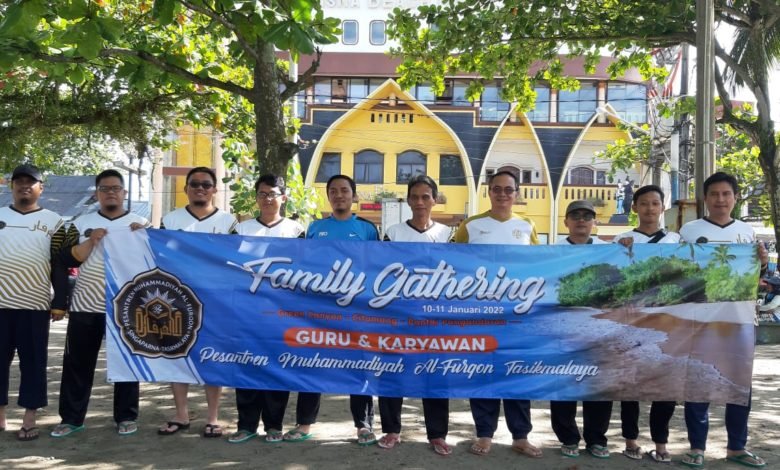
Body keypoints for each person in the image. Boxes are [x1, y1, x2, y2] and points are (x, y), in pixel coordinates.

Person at [50, 169, 149, 438]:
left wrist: (146, 238)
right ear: (97, 194)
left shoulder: (141, 222)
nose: (111, 193)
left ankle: (126, 417)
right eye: (105, 189)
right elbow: (65, 260)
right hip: (85, 304)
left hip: (126, 307)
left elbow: (157, 262)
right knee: (77, 365)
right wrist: (91, 241)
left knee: (126, 364)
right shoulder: (81, 222)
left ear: (124, 193)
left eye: (116, 188)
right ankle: (71, 419)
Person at [679, 172, 768, 469]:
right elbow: (676, 270)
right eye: (714, 194)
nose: (720, 200)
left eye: (726, 194)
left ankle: (736, 448)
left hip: (740, 319)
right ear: (706, 198)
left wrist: (763, 263)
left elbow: (755, 278)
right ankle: (696, 447)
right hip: (699, 319)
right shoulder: (689, 231)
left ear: (735, 197)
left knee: (739, 385)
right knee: (698, 381)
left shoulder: (746, 232)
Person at [451, 170, 542, 458]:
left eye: (508, 189)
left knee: (517, 374)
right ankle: (484, 434)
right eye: (497, 189)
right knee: (483, 375)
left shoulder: (527, 226)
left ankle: (520, 436)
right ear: (488, 192)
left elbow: (541, 267)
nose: (503, 194)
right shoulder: (471, 226)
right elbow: (452, 263)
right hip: (480, 315)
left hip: (518, 317)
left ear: (517, 194)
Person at [157, 167, 238, 438]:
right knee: (178, 354)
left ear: (215, 189)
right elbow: (158, 255)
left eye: (206, 184)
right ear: (186, 189)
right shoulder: (170, 219)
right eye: (195, 184)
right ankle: (181, 414)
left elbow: (235, 262)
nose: (200, 188)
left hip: (216, 300)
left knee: (212, 357)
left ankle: (213, 417)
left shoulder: (229, 222)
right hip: (178, 298)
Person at [302, 174, 380, 446]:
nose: (339, 195)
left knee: (358, 367)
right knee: (312, 365)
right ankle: (304, 424)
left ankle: (363, 425)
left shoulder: (368, 230)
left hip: (355, 311)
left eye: (344, 190)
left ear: (354, 195)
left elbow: (376, 269)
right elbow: (303, 265)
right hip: (320, 310)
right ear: (328, 196)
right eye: (333, 191)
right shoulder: (314, 228)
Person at [377, 175, 453, 455]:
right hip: (397, 317)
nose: (420, 202)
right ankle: (391, 430)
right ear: (408, 200)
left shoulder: (448, 235)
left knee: (434, 374)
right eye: (414, 197)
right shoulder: (393, 233)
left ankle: (437, 434)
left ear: (434, 199)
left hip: (435, 319)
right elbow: (381, 272)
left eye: (426, 196)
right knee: (392, 372)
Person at [227, 174, 305, 444]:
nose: (267, 198)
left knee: (276, 366)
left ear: (283, 197)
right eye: (262, 194)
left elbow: (306, 269)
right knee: (247, 365)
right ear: (256, 197)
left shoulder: (297, 230)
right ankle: (246, 424)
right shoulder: (241, 230)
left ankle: (274, 425)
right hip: (247, 311)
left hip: (282, 313)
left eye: (272, 193)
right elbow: (225, 264)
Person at [0, 164, 68, 441]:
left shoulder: (56, 221)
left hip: (35, 306)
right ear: (10, 186)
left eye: (31, 182)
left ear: (41, 187)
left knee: (34, 364)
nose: (24, 186)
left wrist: (60, 301)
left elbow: (61, 265)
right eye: (19, 181)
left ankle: (29, 418)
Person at [612, 185, 680, 463]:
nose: (649, 209)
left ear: (662, 207)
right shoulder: (622, 238)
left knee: (666, 386)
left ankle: (661, 443)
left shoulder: (676, 239)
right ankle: (630, 440)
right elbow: (613, 276)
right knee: (631, 384)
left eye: (655, 203)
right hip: (632, 321)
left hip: (668, 320)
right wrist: (621, 253)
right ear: (634, 208)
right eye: (644, 203)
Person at [550, 200, 613, 459]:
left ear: (594, 222)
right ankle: (568, 437)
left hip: (598, 326)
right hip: (563, 326)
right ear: (566, 221)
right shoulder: (551, 251)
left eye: (587, 216)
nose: (581, 220)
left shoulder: (608, 250)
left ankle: (597, 438)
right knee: (564, 381)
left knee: (598, 383)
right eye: (575, 216)